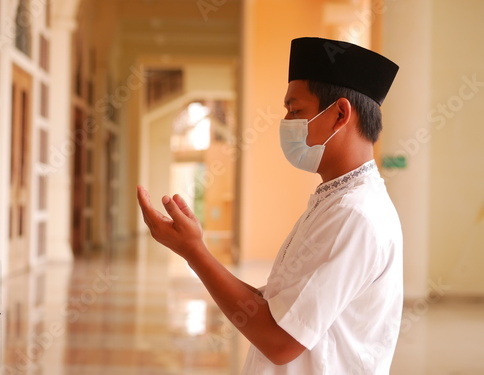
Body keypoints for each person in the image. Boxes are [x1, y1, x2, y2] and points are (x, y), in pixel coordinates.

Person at [137, 36, 403, 374]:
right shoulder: (337, 200)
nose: (286, 121)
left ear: (339, 114)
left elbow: (280, 342)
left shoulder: (354, 214)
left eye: (295, 110)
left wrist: (194, 253)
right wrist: (196, 247)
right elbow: (273, 310)